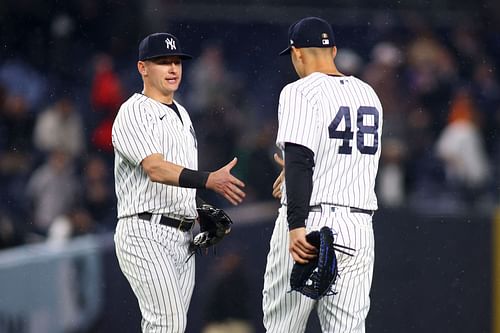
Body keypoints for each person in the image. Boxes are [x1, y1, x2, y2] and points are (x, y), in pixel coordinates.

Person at [111, 32, 246, 333]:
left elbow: (176, 177)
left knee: (171, 326)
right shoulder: (134, 111)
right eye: (162, 62)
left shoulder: (183, 114)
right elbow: (155, 169)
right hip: (144, 231)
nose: (173, 68)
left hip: (183, 237)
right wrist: (208, 180)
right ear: (142, 68)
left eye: (176, 62)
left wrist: (198, 208)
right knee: (167, 322)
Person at [262, 17, 383, 333]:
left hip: (311, 225)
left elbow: (301, 160)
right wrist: (291, 173)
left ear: (296, 53)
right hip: (358, 227)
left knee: (282, 328)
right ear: (334, 51)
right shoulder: (369, 94)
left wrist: (296, 224)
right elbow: (343, 157)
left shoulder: (300, 91)